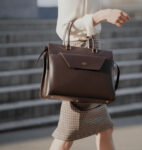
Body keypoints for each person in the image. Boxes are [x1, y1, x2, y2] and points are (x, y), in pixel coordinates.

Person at [49, 0, 130, 150]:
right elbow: (64, 27)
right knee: (67, 135)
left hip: (90, 54)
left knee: (104, 129)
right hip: (77, 60)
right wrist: (101, 15)